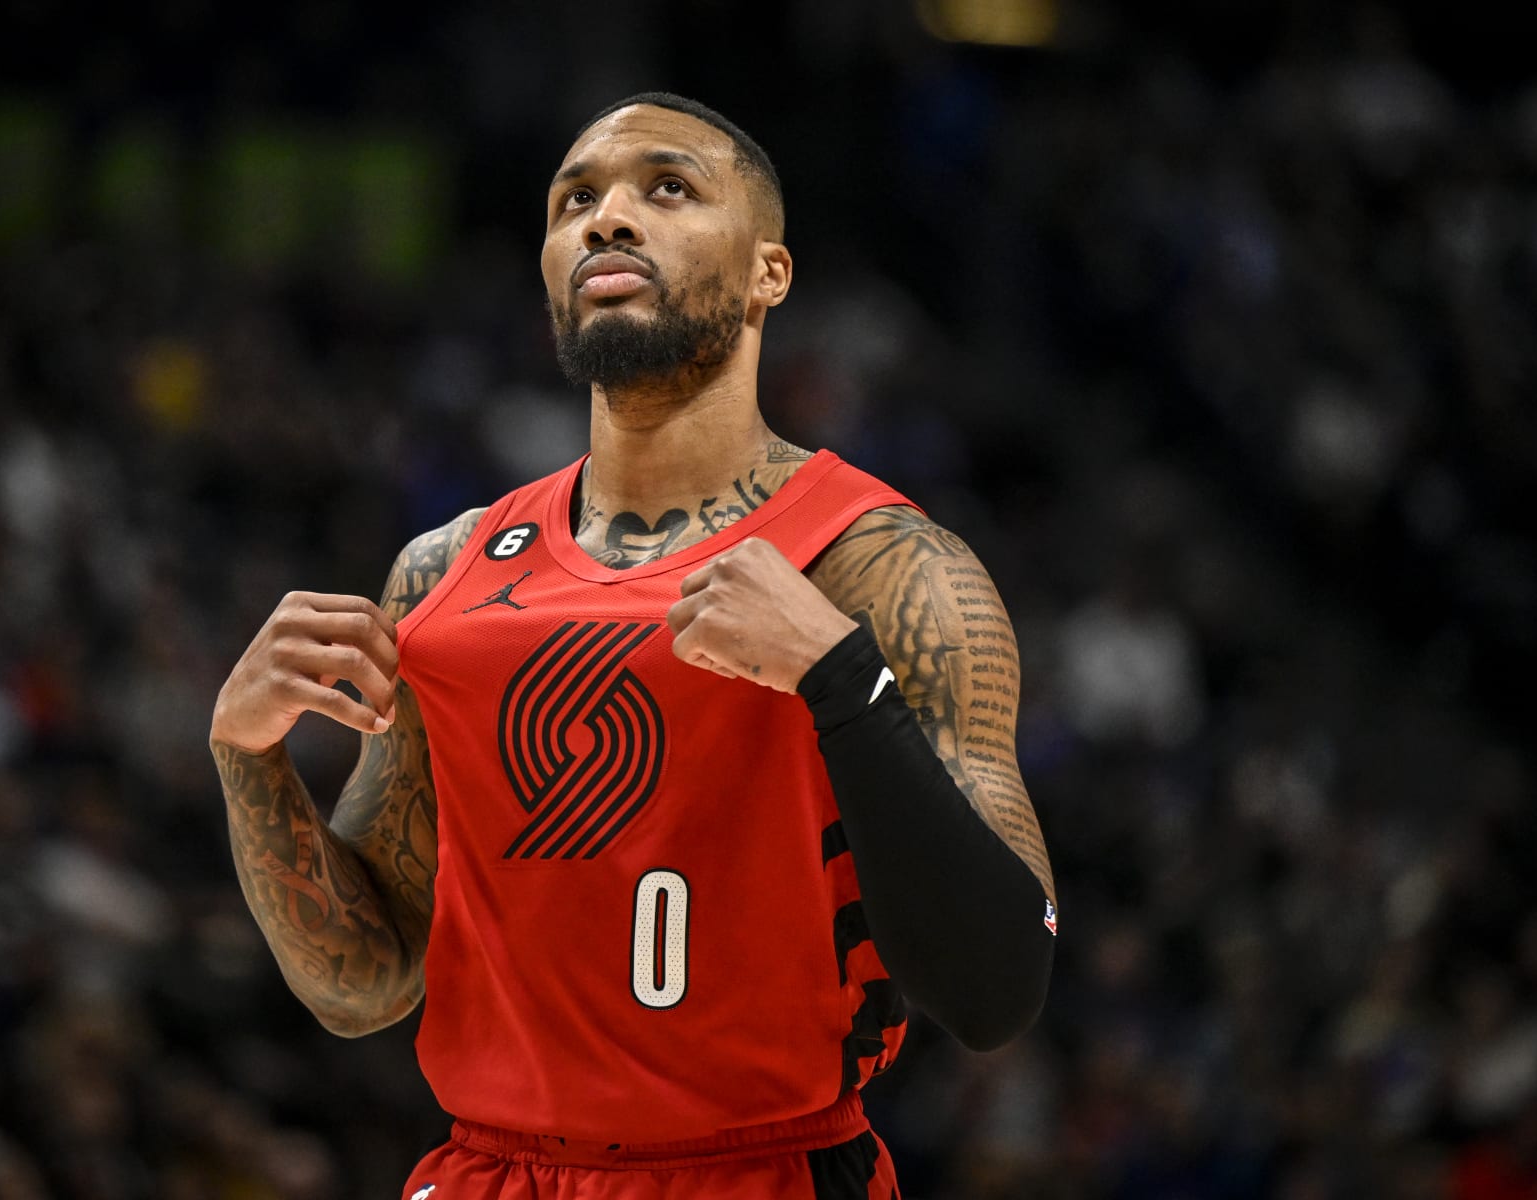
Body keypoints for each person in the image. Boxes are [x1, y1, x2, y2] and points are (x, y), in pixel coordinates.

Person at [208, 92, 1055, 1199]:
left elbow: (995, 988)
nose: (606, 218)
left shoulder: (885, 569)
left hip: (757, 1170)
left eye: (668, 188)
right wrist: (246, 757)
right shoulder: (443, 573)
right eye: (575, 200)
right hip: (483, 1170)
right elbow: (363, 983)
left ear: (768, 274)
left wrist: (845, 683)